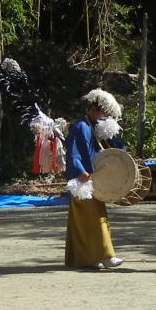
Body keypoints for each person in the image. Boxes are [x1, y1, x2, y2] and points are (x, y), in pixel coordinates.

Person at [64, 88, 126, 270]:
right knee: (93, 219)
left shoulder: (92, 127)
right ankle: (106, 255)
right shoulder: (80, 126)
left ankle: (89, 258)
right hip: (83, 180)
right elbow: (73, 153)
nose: (104, 115)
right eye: (102, 111)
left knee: (89, 220)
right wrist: (80, 171)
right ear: (93, 109)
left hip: (92, 179)